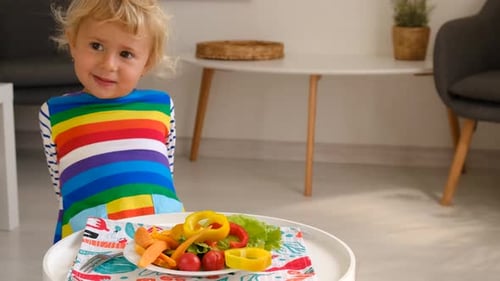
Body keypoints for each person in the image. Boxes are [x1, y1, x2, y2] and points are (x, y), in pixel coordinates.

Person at [39, 0, 184, 243]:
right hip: (89, 238)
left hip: (162, 236)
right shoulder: (55, 112)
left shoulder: (161, 106)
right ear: (73, 43)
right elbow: (63, 188)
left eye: (126, 54)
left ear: (146, 62)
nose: (108, 64)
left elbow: (165, 174)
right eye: (96, 46)